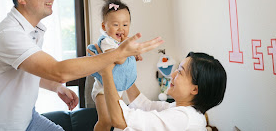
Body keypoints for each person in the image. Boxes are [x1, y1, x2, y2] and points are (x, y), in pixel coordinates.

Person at [0, 0, 163, 131]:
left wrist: (55, 86)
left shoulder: (34, 30)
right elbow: (59, 70)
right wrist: (118, 54)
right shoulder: (9, 34)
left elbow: (29, 70)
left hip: (26, 120)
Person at [92, 49, 227, 131]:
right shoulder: (180, 109)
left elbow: (120, 119)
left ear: (195, 89)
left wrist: (106, 72)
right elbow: (144, 104)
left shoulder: (184, 118)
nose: (173, 74)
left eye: (180, 72)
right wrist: (126, 70)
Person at [88, 0, 140, 131]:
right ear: (104, 26)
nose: (121, 29)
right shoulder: (107, 41)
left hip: (117, 89)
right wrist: (127, 49)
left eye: (125, 24)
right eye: (116, 25)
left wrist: (135, 53)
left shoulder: (121, 43)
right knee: (105, 121)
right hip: (102, 90)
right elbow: (119, 59)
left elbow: (131, 55)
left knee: (117, 121)